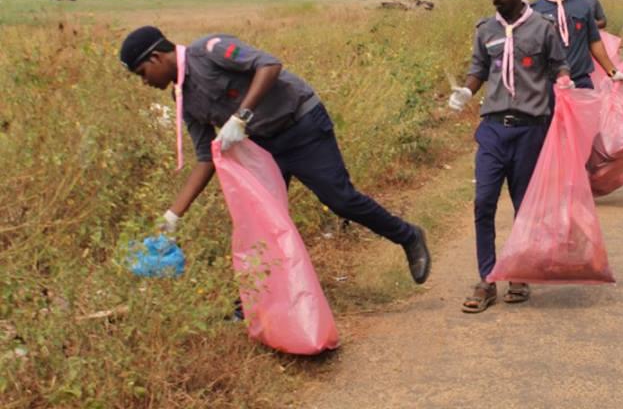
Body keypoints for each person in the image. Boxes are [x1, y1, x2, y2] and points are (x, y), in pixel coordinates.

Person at [119, 26, 431, 286]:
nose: (145, 82)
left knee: (341, 200)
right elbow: (205, 158)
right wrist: (173, 216)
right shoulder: (184, 99)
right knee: (260, 222)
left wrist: (241, 116)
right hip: (266, 146)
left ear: (157, 57)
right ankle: (256, 300)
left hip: (302, 124)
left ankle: (407, 236)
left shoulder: (210, 49)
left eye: (142, 73)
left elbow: (269, 65)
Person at [448, 0, 571, 313]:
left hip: (530, 130)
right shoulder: (485, 30)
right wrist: (467, 91)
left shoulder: (543, 28)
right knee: (483, 202)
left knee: (524, 207)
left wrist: (563, 80)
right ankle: (487, 279)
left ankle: (518, 272)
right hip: (492, 130)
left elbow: (558, 64)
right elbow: (478, 69)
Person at [531, 0, 623, 89]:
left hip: (581, 82)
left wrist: (613, 72)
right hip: (550, 86)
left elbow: (594, 42)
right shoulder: (534, 12)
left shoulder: (582, 5)